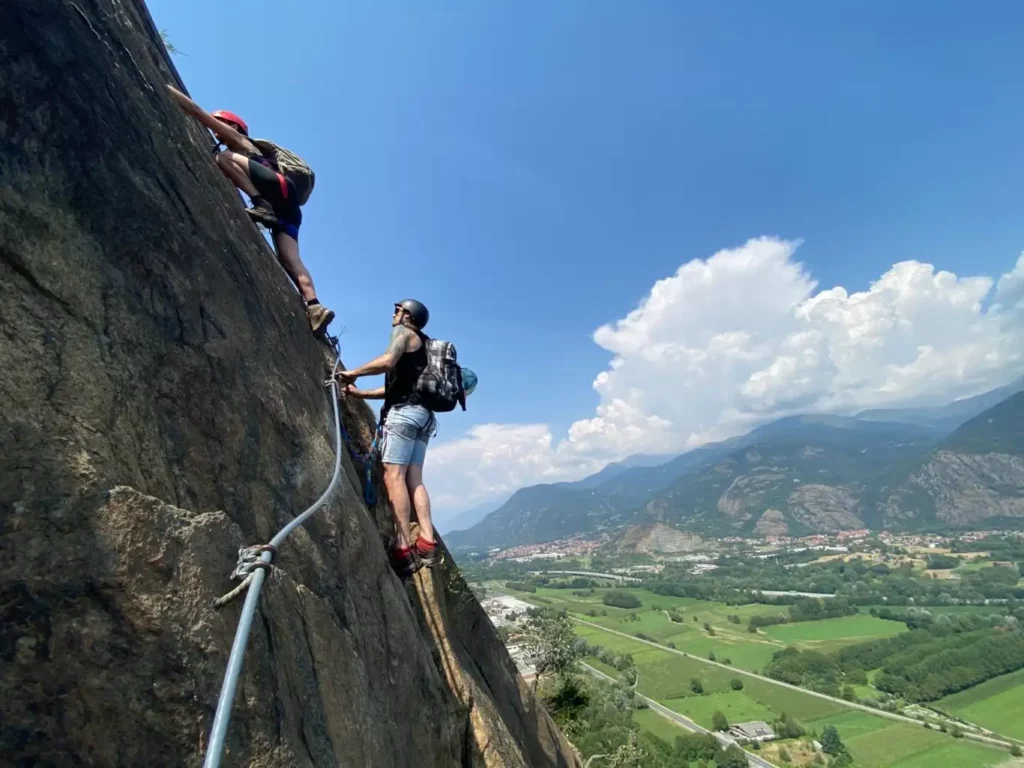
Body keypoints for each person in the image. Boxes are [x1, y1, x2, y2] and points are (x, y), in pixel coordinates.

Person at [166, 86, 335, 337]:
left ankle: (260, 204)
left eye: (220, 122)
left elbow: (196, 111)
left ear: (234, 126)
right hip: (288, 207)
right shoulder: (250, 150)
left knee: (223, 158)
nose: (216, 127)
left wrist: (167, 89)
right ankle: (315, 307)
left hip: (277, 189)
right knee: (290, 260)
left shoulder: (241, 142)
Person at [335, 299, 439, 576]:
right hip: (424, 418)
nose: (394, 314)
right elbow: (395, 389)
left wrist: (354, 373)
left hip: (403, 416)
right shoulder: (427, 347)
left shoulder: (403, 332)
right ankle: (427, 541)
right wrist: (359, 394)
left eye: (398, 310)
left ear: (408, 316)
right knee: (415, 479)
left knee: (394, 477)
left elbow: (388, 360)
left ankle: (402, 546)